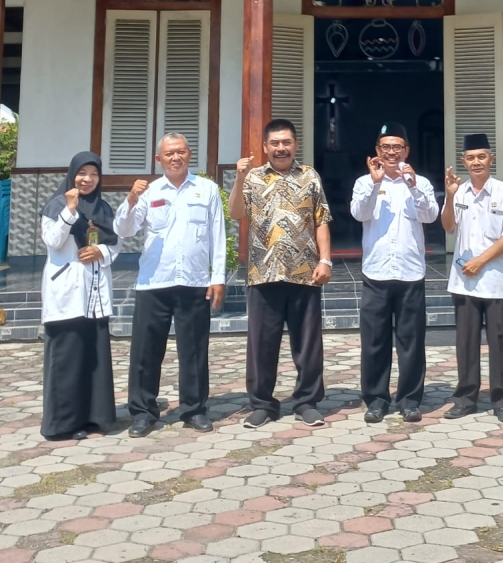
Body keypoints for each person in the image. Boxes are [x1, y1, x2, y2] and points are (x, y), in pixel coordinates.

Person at [114, 133, 226, 437]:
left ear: (190, 154)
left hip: (194, 281)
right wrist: (131, 199)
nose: (175, 158)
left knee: (194, 350)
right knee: (145, 352)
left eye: (180, 152)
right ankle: (142, 412)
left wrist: (218, 277)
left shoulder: (207, 189)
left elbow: (217, 234)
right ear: (158, 159)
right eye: (169, 153)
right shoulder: (149, 191)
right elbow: (124, 229)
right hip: (154, 282)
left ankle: (194, 410)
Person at [228, 118, 332, 428]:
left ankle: (307, 402)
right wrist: (239, 178)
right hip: (263, 273)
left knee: (308, 345)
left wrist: (325, 260)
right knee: (262, 345)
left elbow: (321, 219)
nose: (281, 148)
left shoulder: (309, 176)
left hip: (304, 273)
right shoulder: (253, 177)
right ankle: (262, 404)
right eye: (275, 143)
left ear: (295, 144)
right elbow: (235, 212)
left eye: (286, 142)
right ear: (265, 147)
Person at [350, 122, 440, 423]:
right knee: (374, 342)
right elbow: (358, 214)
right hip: (376, 274)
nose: (391, 152)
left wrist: (413, 187)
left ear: (406, 151)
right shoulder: (364, 182)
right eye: (386, 147)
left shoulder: (421, 183)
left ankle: (410, 400)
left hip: (410, 274)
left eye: (397, 147)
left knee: (411, 342)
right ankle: (376, 400)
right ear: (377, 151)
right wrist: (375, 185)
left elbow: (431, 216)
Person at [441, 133, 503, 422]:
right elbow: (448, 227)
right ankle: (465, 398)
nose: (476, 162)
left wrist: (480, 261)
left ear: (491, 159)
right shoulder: (459, 191)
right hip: (464, 282)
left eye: (481, 157)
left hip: (497, 280)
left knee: (501, 342)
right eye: (470, 158)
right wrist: (449, 196)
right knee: (466, 342)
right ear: (463, 161)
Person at [40, 151, 119, 440]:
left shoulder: (103, 208)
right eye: (82, 173)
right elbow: (52, 240)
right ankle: (62, 424)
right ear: (72, 174)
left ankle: (95, 418)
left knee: (93, 358)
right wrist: (70, 210)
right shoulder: (56, 205)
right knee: (67, 360)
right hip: (67, 293)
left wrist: (101, 251)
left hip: (95, 293)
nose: (87, 179)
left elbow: (116, 243)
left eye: (94, 174)